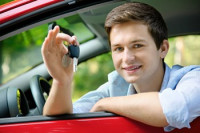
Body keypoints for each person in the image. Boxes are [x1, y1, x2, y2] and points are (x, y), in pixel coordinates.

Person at [41, 2, 200, 131]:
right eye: (118, 49)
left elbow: (173, 110)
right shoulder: (114, 87)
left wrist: (106, 104)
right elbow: (60, 120)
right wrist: (61, 80)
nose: (127, 58)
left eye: (137, 45)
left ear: (163, 49)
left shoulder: (193, 77)